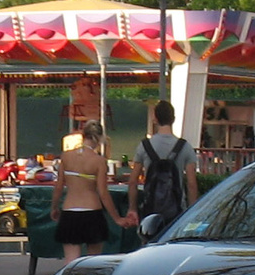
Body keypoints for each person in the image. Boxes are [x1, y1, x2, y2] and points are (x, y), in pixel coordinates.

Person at [51, 121, 132, 265]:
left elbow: (58, 187)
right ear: (100, 138)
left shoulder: (66, 156)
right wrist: (117, 218)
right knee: (92, 264)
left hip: (70, 211)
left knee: (71, 263)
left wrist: (54, 208)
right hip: (92, 212)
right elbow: (103, 193)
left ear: (83, 135)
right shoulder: (99, 161)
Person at [127, 99, 200, 237]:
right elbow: (191, 184)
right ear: (173, 119)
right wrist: (192, 211)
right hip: (177, 210)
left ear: (155, 119)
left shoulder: (144, 146)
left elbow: (132, 181)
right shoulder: (185, 147)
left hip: (150, 208)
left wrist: (132, 208)